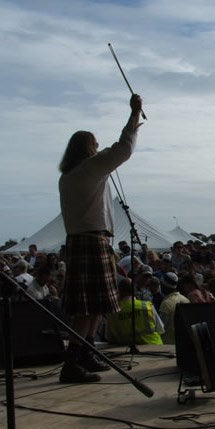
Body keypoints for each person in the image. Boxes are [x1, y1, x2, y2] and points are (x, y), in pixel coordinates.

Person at [58, 93, 143, 383]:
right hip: (91, 241)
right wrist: (133, 116)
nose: (97, 149)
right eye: (94, 145)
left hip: (85, 241)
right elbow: (122, 150)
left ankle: (85, 352)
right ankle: (72, 362)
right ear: (87, 149)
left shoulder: (70, 176)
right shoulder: (87, 170)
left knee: (94, 304)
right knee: (87, 308)